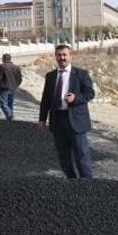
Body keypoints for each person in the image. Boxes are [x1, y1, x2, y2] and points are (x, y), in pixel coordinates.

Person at [38, 44, 95, 179]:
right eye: (59, 55)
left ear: (70, 56)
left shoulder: (81, 74)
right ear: (55, 57)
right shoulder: (50, 76)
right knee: (63, 155)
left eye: (64, 55)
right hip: (58, 121)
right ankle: (72, 181)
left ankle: (88, 184)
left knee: (81, 154)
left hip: (76, 121)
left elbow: (90, 93)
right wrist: (42, 119)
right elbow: (45, 99)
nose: (62, 58)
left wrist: (76, 98)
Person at [0, 53, 22, 121]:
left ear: (4, 59)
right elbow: (20, 79)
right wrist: (16, 85)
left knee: (3, 104)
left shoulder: (2, 66)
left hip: (4, 88)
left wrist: (0, 86)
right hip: (13, 88)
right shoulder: (16, 67)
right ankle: (10, 120)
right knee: (10, 103)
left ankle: (10, 116)